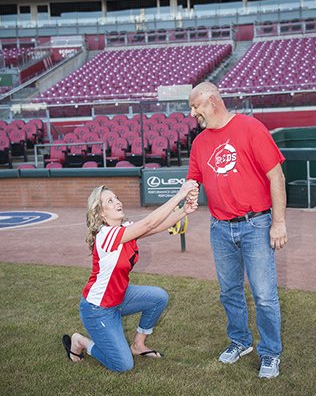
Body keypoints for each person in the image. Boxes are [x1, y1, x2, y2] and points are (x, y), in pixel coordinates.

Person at [186, 82, 287, 379]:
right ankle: (240, 341)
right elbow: (193, 182)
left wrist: (278, 222)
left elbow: (276, 176)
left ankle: (269, 353)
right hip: (220, 227)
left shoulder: (251, 128)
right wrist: (186, 201)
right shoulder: (199, 142)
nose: (192, 113)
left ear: (212, 101)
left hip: (256, 224)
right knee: (229, 291)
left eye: (195, 106)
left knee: (265, 295)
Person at [62, 180, 199, 372]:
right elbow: (150, 222)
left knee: (159, 297)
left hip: (119, 299)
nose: (117, 202)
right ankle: (81, 341)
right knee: (123, 365)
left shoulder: (124, 229)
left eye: (116, 198)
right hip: (97, 309)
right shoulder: (105, 235)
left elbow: (154, 227)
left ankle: (138, 345)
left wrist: (183, 210)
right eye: (109, 201)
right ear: (101, 213)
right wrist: (179, 195)